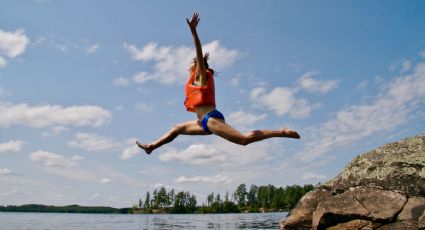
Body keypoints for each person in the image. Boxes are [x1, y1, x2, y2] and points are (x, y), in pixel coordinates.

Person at [136, 12, 300, 154]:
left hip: (211, 119)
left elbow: (198, 53)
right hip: (202, 122)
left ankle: (282, 132)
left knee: (244, 140)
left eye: (191, 64)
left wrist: (194, 32)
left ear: (198, 66)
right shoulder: (197, 78)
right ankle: (151, 146)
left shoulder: (201, 75)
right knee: (176, 128)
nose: (188, 67)